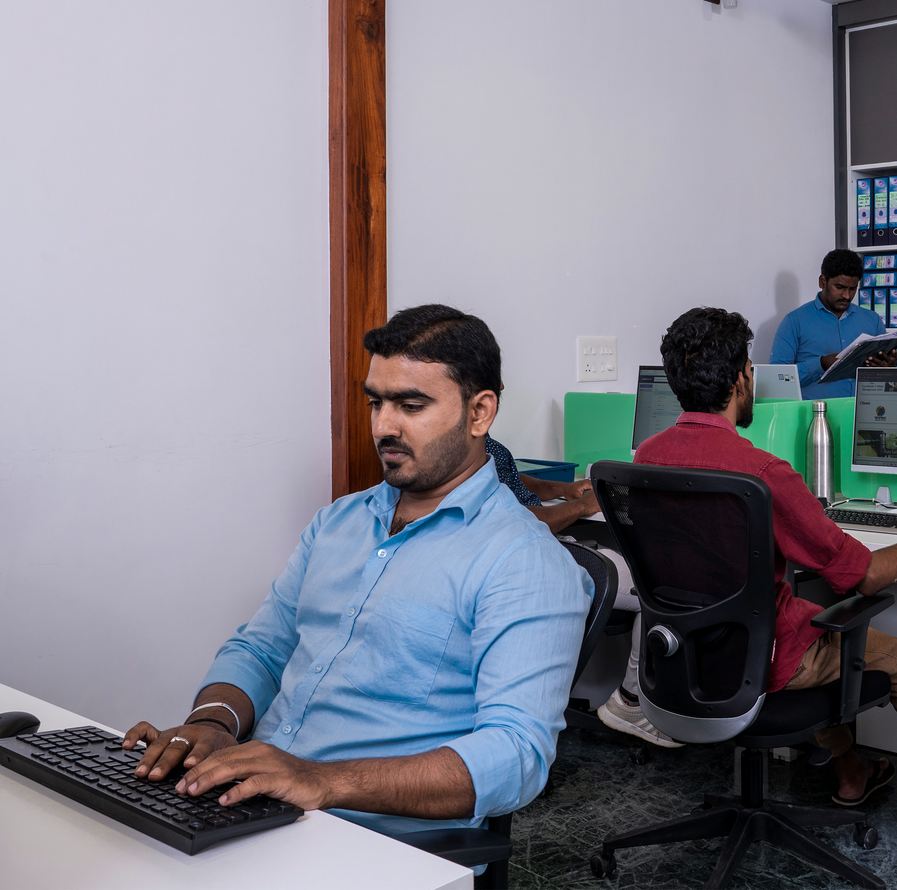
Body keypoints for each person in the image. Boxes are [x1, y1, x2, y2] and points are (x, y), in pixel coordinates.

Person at [120, 305, 592, 842]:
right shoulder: (339, 521)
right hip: (259, 805)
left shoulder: (522, 560)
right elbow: (262, 648)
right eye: (376, 402)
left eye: (411, 405)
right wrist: (214, 724)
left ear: (480, 413)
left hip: (371, 843)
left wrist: (320, 780)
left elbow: (516, 755)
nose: (383, 425)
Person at [636, 306, 897, 803]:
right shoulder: (762, 473)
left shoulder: (645, 457)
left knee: (809, 624)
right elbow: (866, 576)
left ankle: (852, 773)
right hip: (766, 658)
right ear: (742, 378)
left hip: (686, 652)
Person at [483, 430, 678, 748]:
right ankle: (631, 702)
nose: (501, 386)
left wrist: (566, 489)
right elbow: (514, 519)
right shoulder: (464, 439)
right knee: (657, 588)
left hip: (544, 546)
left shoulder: (481, 442)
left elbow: (507, 475)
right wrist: (583, 507)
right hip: (530, 556)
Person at [770, 248, 895, 400]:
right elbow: (776, 380)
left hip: (865, 414)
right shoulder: (794, 322)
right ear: (822, 281)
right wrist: (820, 364)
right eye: (840, 287)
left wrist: (889, 368)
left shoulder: (872, 320)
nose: (846, 295)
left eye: (852, 288)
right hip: (814, 418)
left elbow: (887, 380)